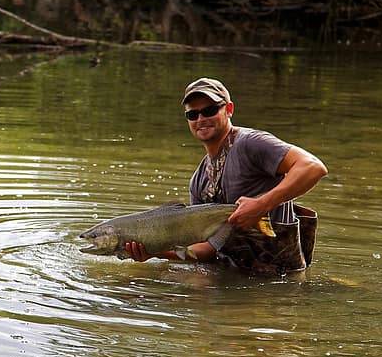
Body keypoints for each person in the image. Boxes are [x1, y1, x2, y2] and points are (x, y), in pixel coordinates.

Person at [125, 77, 328, 274]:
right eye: (192, 115)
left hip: (282, 281)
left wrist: (261, 205)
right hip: (233, 276)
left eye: (210, 110)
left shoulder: (251, 143)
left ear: (229, 109)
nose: (201, 119)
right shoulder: (199, 180)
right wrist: (155, 252)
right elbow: (205, 249)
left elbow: (313, 167)